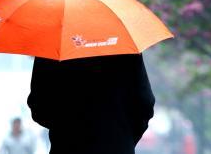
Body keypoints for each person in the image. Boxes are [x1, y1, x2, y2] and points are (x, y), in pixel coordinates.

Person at [27, 53, 155, 154]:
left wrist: (66, 126)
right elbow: (145, 103)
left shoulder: (53, 45)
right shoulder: (125, 46)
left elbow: (39, 108)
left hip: (68, 148)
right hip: (118, 147)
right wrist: (124, 137)